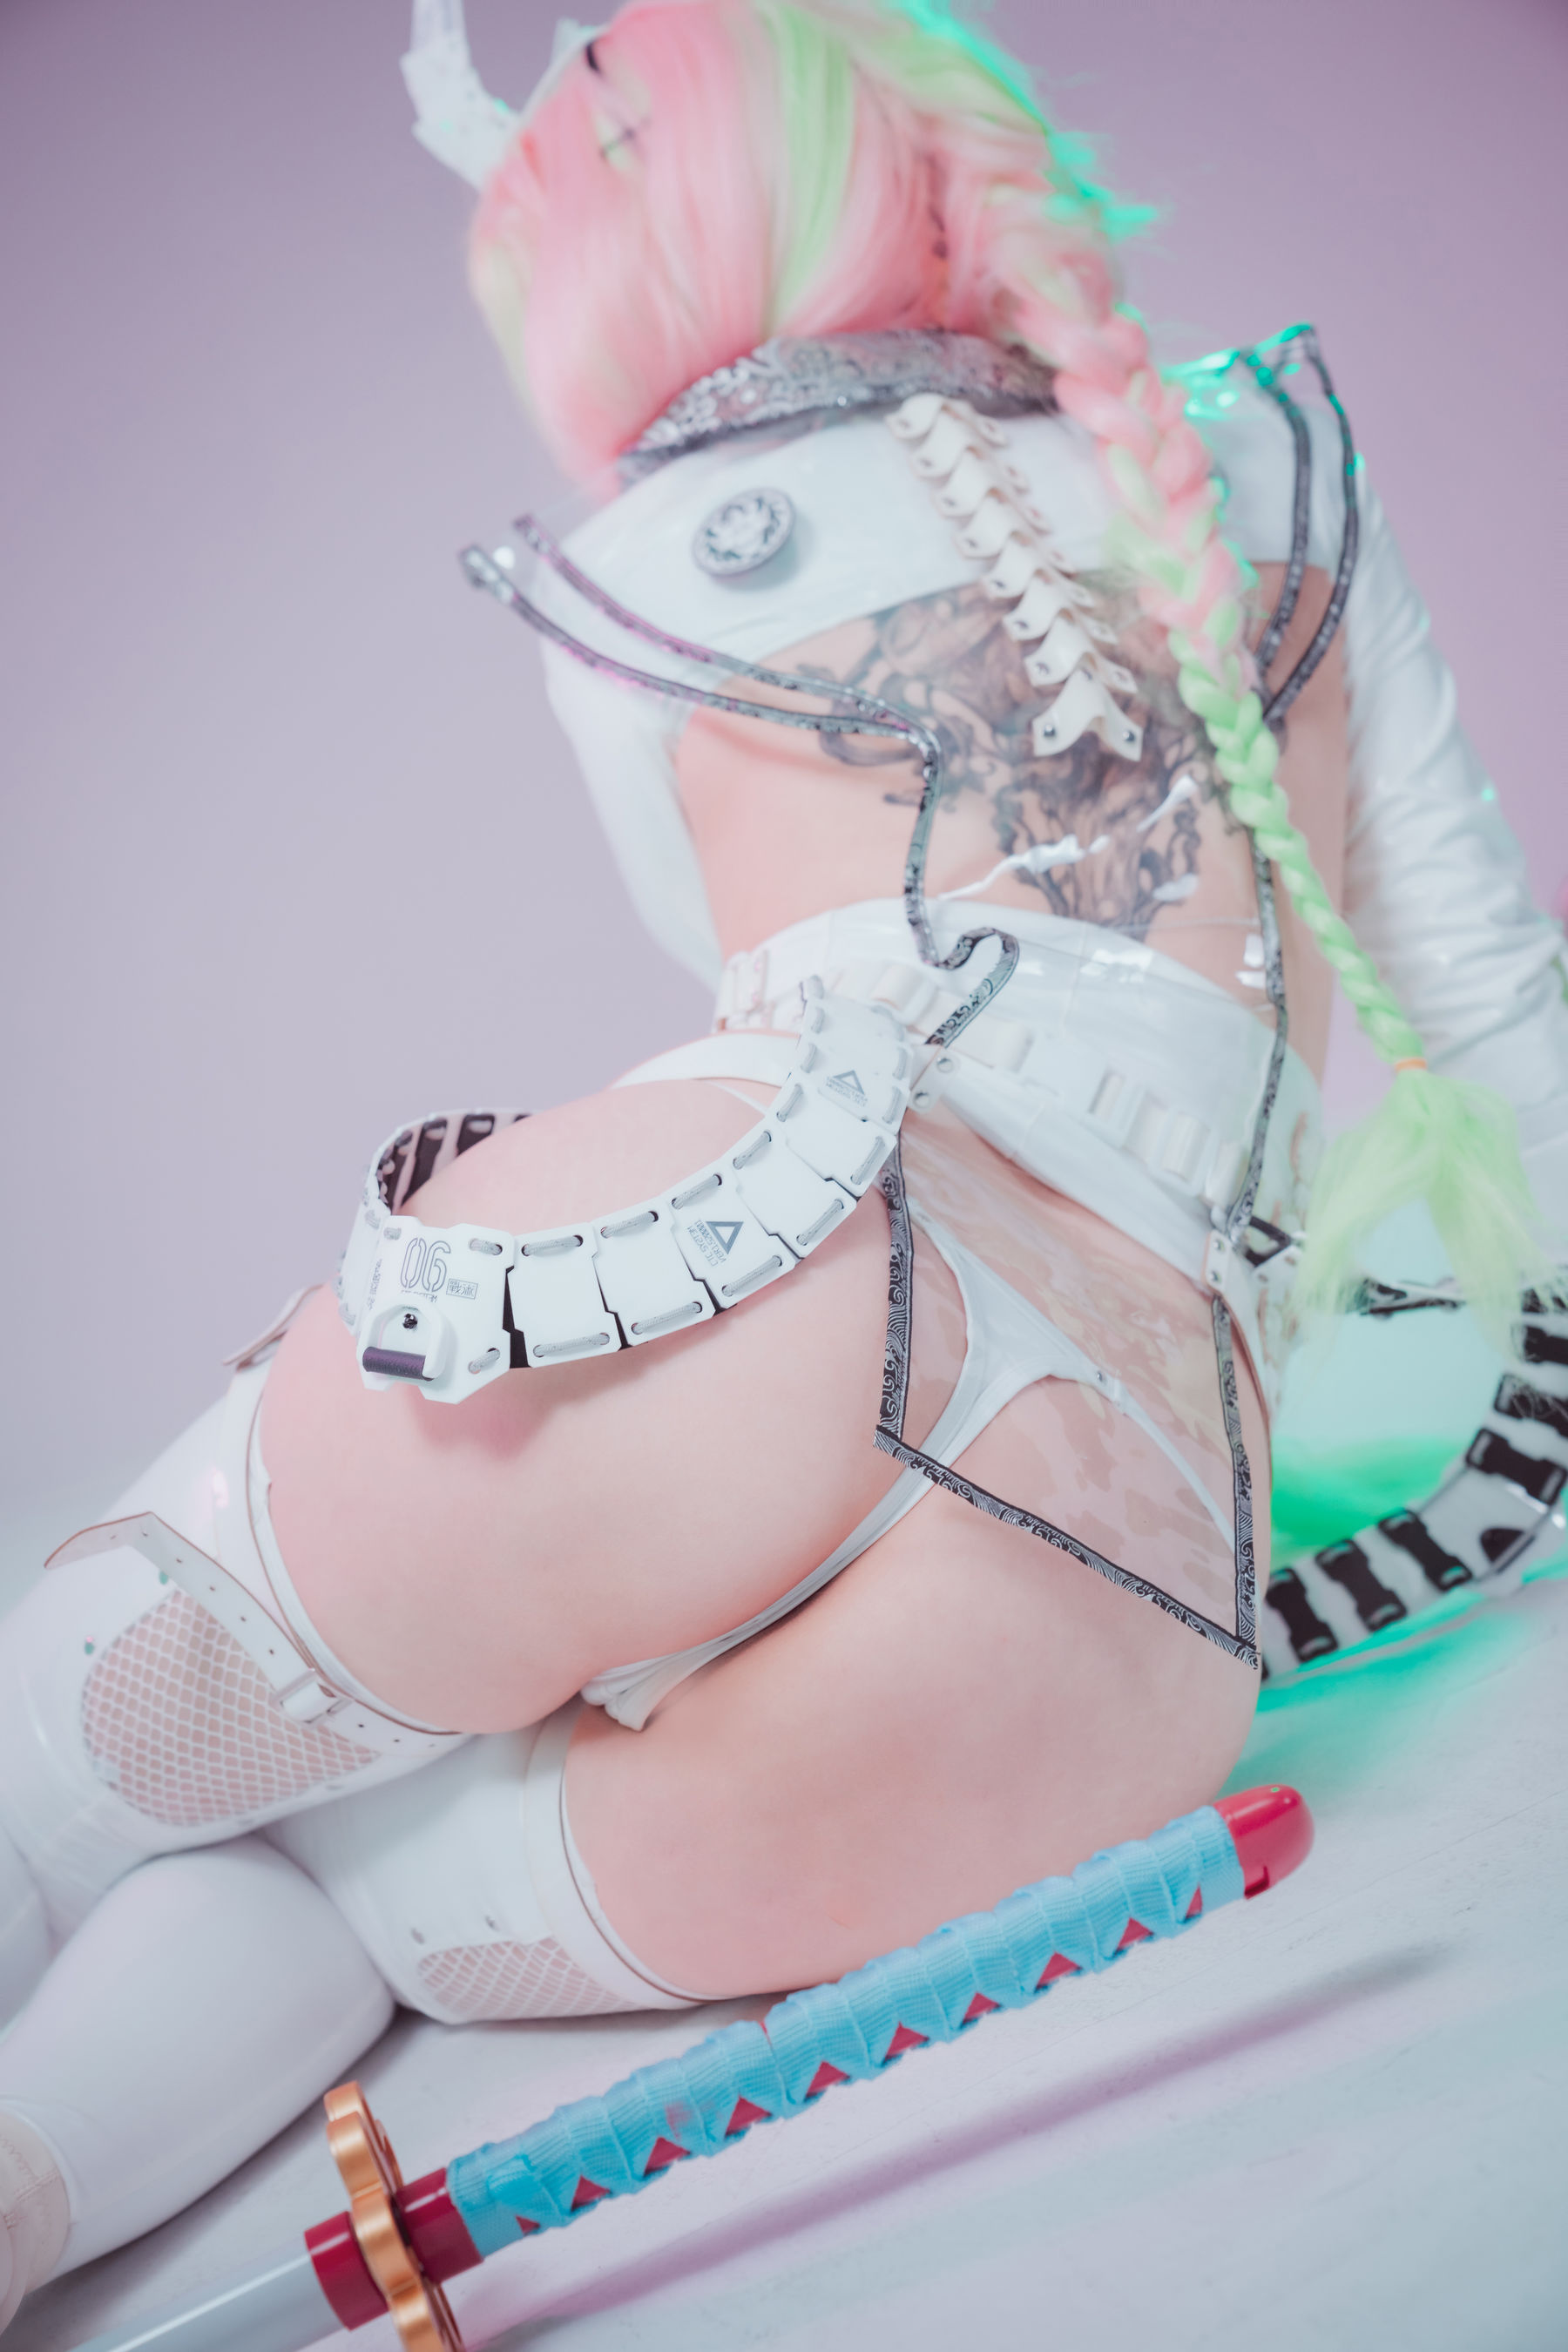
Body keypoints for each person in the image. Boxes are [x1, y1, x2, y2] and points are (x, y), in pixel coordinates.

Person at [0, 0, 1564, 2326]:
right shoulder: (1280, 459)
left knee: (88, 1774)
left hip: (741, 1267)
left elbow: (752, 987)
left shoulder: (643, 574)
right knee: (366, 1902)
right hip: (1133, 1580)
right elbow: (1502, 1018)